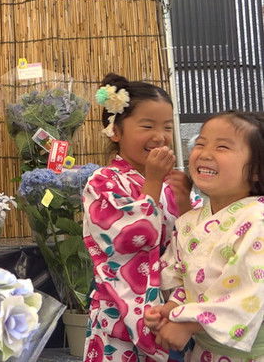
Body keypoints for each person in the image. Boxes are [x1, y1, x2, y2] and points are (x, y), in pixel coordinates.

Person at [82, 73, 193, 362]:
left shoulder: (171, 184)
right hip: (119, 312)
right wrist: (153, 183)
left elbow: (194, 239)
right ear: (115, 132)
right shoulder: (102, 181)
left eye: (167, 127)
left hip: (169, 314)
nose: (160, 135)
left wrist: (183, 203)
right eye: (147, 126)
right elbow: (129, 238)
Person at [145, 111, 264, 362]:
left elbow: (249, 292)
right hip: (203, 352)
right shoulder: (188, 221)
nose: (205, 153)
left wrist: (189, 324)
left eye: (222, 146)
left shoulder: (257, 218)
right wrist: (172, 309)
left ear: (256, 170)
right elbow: (182, 278)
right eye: (200, 143)